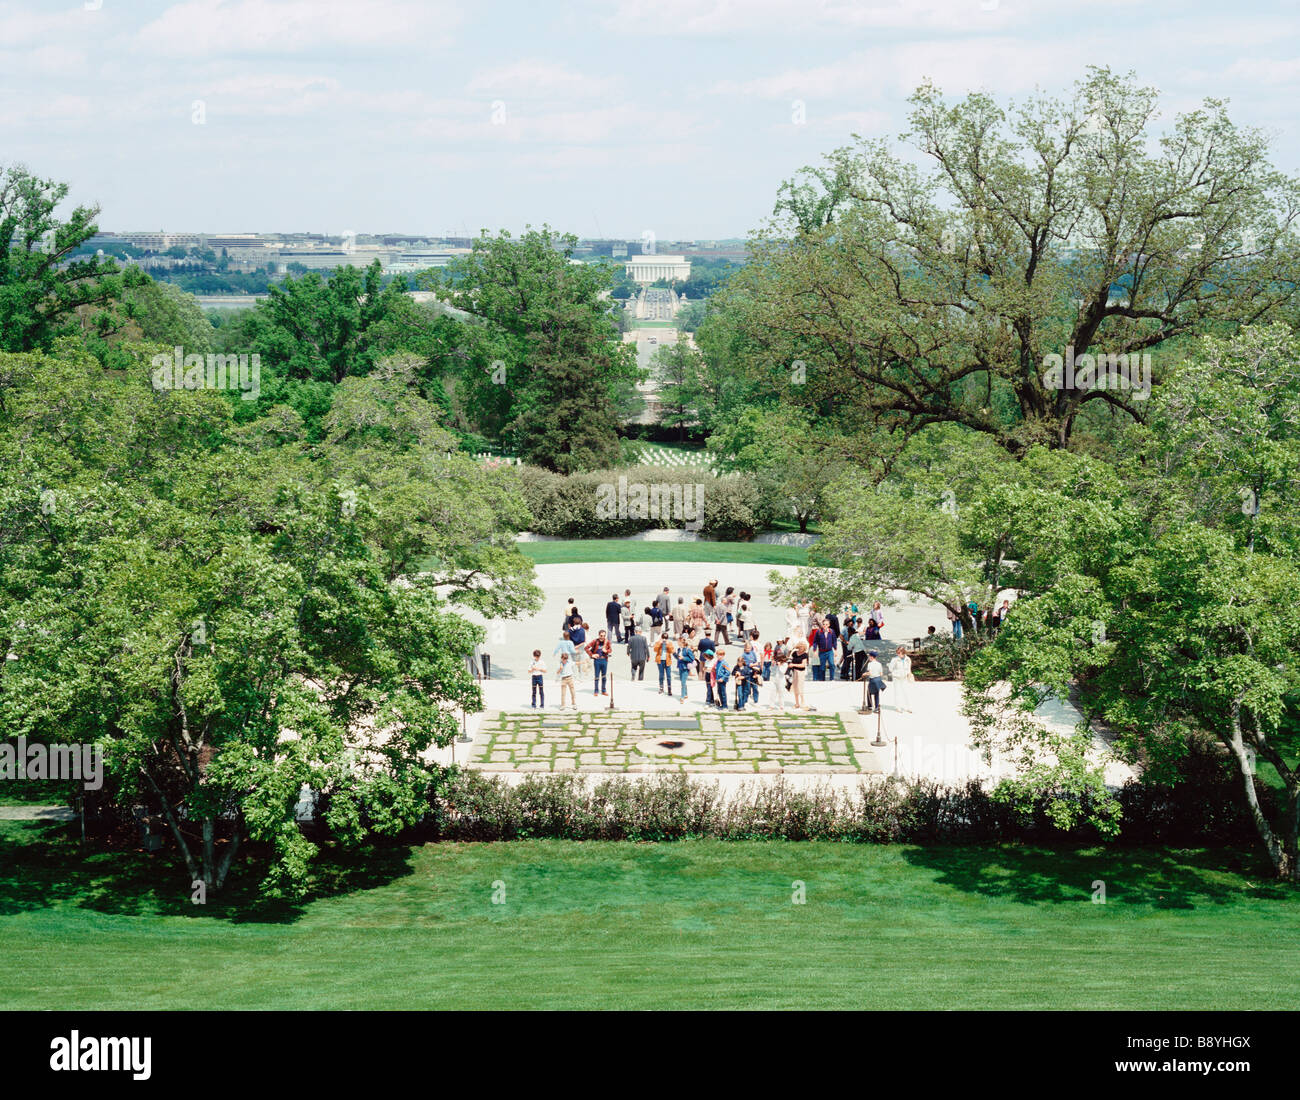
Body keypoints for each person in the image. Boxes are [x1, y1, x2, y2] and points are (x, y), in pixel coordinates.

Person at [587, 630, 612, 695]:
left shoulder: (607, 642)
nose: (602, 637)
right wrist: (592, 655)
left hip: (604, 660)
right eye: (601, 636)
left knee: (604, 676)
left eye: (604, 636)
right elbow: (586, 648)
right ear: (599, 635)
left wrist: (606, 651)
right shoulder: (595, 641)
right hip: (597, 660)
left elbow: (610, 650)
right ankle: (596, 691)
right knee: (597, 676)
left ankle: (603, 690)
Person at [788, 641, 809, 710]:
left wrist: (793, 665)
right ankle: (797, 703)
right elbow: (790, 660)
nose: (800, 648)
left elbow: (803, 665)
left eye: (802, 647)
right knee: (795, 687)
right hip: (794, 672)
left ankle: (803, 702)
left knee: (800, 687)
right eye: (799, 647)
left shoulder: (805, 655)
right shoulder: (794, 653)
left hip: (801, 672)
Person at [675, 638, 696, 703]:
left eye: (678, 642)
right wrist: (674, 654)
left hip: (685, 668)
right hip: (680, 667)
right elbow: (677, 658)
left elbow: (692, 658)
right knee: (682, 681)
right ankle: (686, 694)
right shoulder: (679, 649)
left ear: (682, 642)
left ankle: (682, 697)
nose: (677, 643)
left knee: (683, 682)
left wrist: (684, 658)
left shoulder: (687, 649)